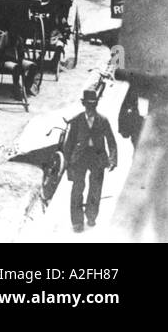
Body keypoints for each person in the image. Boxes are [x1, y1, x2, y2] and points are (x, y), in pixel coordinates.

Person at [62, 88, 118, 233]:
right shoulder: (77, 121)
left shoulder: (103, 120)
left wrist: (112, 159)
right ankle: (77, 221)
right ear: (84, 104)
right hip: (80, 157)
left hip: (98, 156)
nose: (90, 108)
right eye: (88, 104)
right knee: (77, 188)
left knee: (96, 188)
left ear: (96, 105)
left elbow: (111, 141)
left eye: (93, 104)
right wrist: (67, 162)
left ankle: (91, 215)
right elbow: (69, 143)